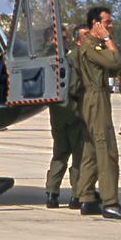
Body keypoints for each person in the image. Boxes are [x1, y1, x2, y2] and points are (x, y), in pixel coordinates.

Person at [72, 7, 121, 219]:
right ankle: (110, 202)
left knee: (91, 150)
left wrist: (107, 43)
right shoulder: (91, 45)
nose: (110, 26)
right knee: (107, 150)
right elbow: (117, 61)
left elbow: (115, 67)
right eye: (106, 22)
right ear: (95, 24)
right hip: (95, 99)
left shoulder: (93, 45)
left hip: (95, 98)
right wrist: (108, 39)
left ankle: (87, 197)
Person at [45, 25, 87, 209]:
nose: (65, 41)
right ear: (51, 40)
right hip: (72, 111)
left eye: (65, 38)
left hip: (56, 113)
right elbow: (74, 86)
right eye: (61, 38)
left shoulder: (44, 60)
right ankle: (77, 195)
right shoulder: (67, 61)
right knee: (78, 154)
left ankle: (52, 193)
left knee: (60, 154)